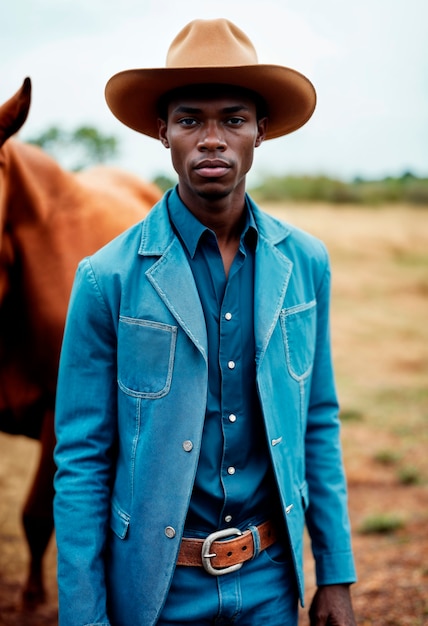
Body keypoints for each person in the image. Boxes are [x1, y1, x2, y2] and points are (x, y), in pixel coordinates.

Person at [53, 17, 357, 626]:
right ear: (161, 131)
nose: (211, 139)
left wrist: (336, 575)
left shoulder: (305, 264)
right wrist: (83, 616)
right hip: (154, 593)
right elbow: (82, 460)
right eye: (190, 119)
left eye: (233, 119)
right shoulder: (105, 279)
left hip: (272, 582)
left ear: (260, 133)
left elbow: (317, 422)